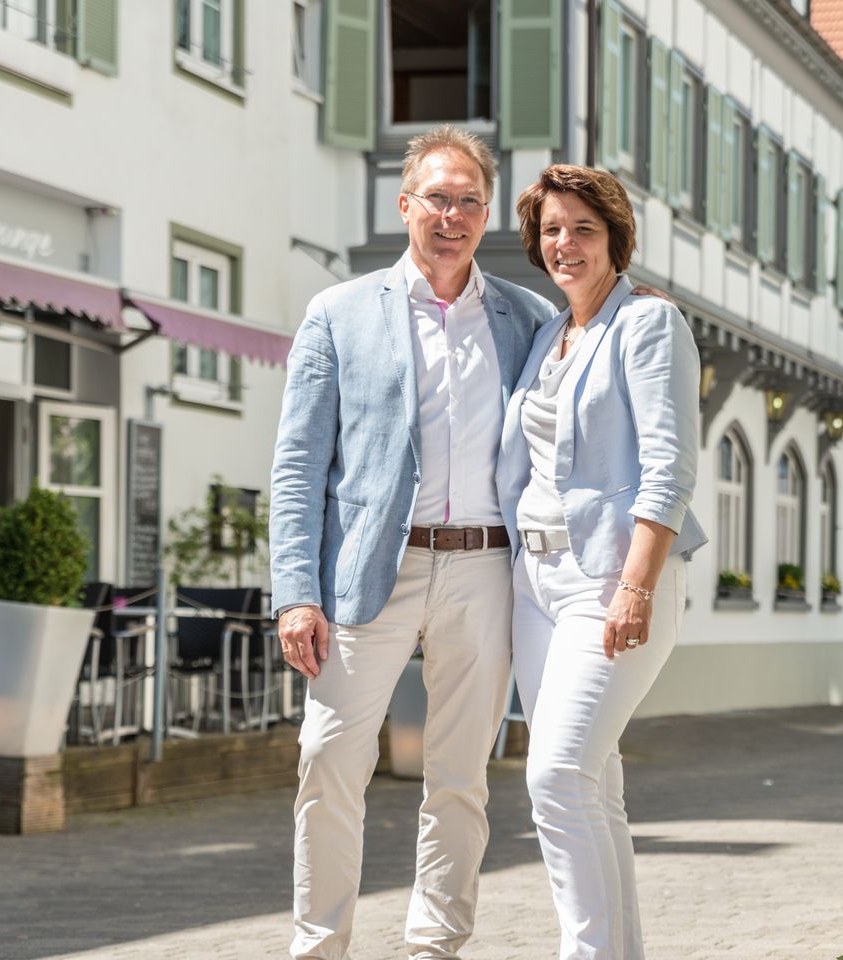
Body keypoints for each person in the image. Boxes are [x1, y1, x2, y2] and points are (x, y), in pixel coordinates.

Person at [269, 126, 558, 960]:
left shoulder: (524, 318)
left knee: (461, 778)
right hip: (370, 573)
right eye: (438, 197)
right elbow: (297, 467)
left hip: (487, 570)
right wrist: (297, 591)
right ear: (405, 205)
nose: (454, 215)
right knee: (328, 765)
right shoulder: (338, 313)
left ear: (487, 212)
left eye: (470, 200)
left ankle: (435, 946)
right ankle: (319, 946)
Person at [496, 164, 707, 959]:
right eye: (552, 229)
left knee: (554, 777)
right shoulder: (552, 334)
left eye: (583, 228)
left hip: (609, 579)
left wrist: (634, 586)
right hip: (535, 584)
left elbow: (669, 467)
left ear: (614, 238)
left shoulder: (648, 324)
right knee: (594, 784)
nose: (565, 244)